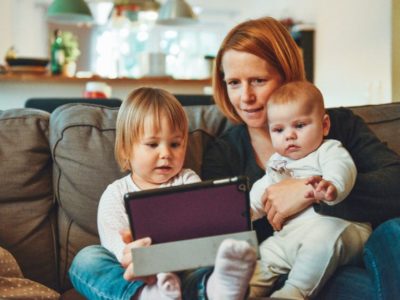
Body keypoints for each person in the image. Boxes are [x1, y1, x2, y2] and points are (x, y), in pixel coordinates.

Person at [202, 16, 400, 298]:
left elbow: (395, 184)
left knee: (395, 231)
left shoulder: (338, 125)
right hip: (284, 268)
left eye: (258, 80)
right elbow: (223, 232)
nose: (245, 96)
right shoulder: (223, 153)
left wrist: (309, 191)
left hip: (354, 251)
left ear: (286, 77)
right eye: (234, 83)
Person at [68, 87, 257, 300]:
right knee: (86, 259)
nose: (166, 154)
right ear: (125, 150)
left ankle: (217, 288)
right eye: (152, 144)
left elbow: (202, 228)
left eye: (175, 144)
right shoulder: (115, 194)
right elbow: (116, 248)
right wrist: (136, 255)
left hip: (184, 269)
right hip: (138, 274)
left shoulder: (187, 180)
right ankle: (147, 295)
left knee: (213, 261)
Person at [249, 81, 371, 299]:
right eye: (278, 130)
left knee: (321, 240)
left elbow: (342, 167)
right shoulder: (277, 162)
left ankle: (293, 292)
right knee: (266, 253)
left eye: (299, 126)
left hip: (339, 229)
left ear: (324, 125)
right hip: (290, 237)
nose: (289, 136)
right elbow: (264, 189)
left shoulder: (328, 149)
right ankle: (244, 290)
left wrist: (332, 186)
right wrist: (247, 210)